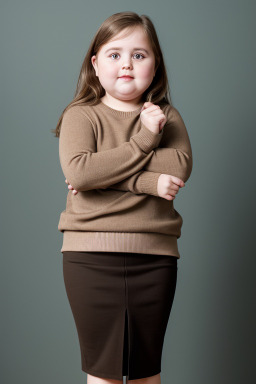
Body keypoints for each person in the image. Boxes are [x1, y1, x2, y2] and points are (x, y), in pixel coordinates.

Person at [53, 11, 193, 384]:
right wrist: (147, 148)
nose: (126, 64)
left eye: (139, 54)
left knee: (147, 373)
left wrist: (105, 174)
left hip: (156, 258)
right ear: (96, 64)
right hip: (89, 259)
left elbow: (177, 167)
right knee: (104, 375)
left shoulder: (168, 116)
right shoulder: (80, 115)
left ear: (155, 64)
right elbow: (81, 172)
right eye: (114, 54)